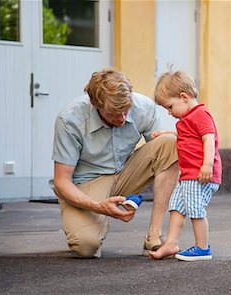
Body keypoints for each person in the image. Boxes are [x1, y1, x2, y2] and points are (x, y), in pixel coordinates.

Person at [52, 68, 179, 258]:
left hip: (126, 172)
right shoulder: (70, 120)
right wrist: (99, 207)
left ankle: (153, 237)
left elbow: (162, 158)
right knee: (86, 247)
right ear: (95, 104)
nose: (122, 119)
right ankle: (95, 221)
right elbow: (61, 182)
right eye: (114, 113)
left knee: (171, 143)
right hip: (87, 182)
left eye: (126, 111)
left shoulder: (143, 107)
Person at [148, 70, 222, 261]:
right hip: (188, 175)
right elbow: (187, 137)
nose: (169, 112)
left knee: (195, 209)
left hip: (199, 174)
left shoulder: (201, 114)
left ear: (184, 97)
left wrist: (206, 165)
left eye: (170, 107)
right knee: (177, 207)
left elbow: (209, 139)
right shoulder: (186, 120)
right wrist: (166, 132)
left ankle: (202, 247)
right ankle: (171, 243)